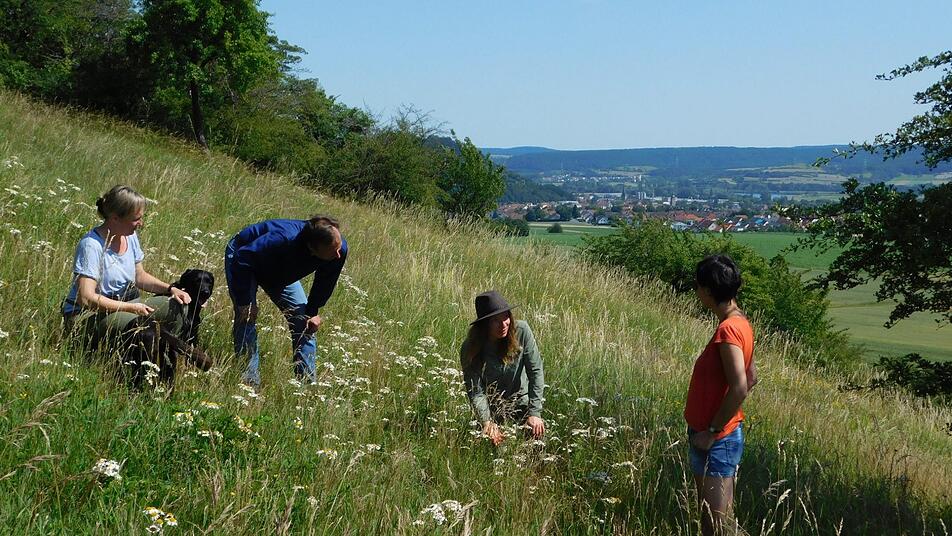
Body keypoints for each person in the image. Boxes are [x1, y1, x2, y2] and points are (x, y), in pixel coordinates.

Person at [224, 216, 347, 387]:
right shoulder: (283, 238)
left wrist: (312, 312)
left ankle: (305, 389)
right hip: (245, 259)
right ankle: (249, 385)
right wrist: (245, 302)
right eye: (333, 251)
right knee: (246, 317)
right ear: (312, 248)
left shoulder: (337, 248)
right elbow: (243, 258)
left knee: (305, 324)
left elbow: (325, 282)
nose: (338, 254)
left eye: (339, 246)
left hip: (279, 273)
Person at [62, 185, 192, 345]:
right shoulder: (91, 245)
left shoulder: (129, 236)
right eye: (136, 219)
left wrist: (171, 289)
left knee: (178, 305)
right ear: (115, 218)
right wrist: (129, 308)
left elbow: (140, 276)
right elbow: (86, 298)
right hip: (88, 315)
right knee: (138, 325)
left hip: (126, 305)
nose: (141, 223)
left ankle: (168, 353)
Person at [684, 254, 757, 536]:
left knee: (717, 525)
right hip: (712, 436)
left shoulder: (728, 331)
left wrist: (713, 431)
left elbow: (741, 386)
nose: (697, 292)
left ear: (708, 291)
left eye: (699, 286)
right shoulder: (740, 323)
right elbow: (751, 377)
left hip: (717, 439)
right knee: (711, 521)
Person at [460, 290, 545, 446]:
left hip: (522, 403)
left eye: (506, 316)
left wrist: (534, 412)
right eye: (495, 320)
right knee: (495, 447)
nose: (503, 324)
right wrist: (486, 422)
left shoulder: (522, 331)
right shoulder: (470, 348)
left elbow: (536, 371)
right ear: (484, 325)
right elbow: (476, 392)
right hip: (491, 408)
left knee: (537, 436)